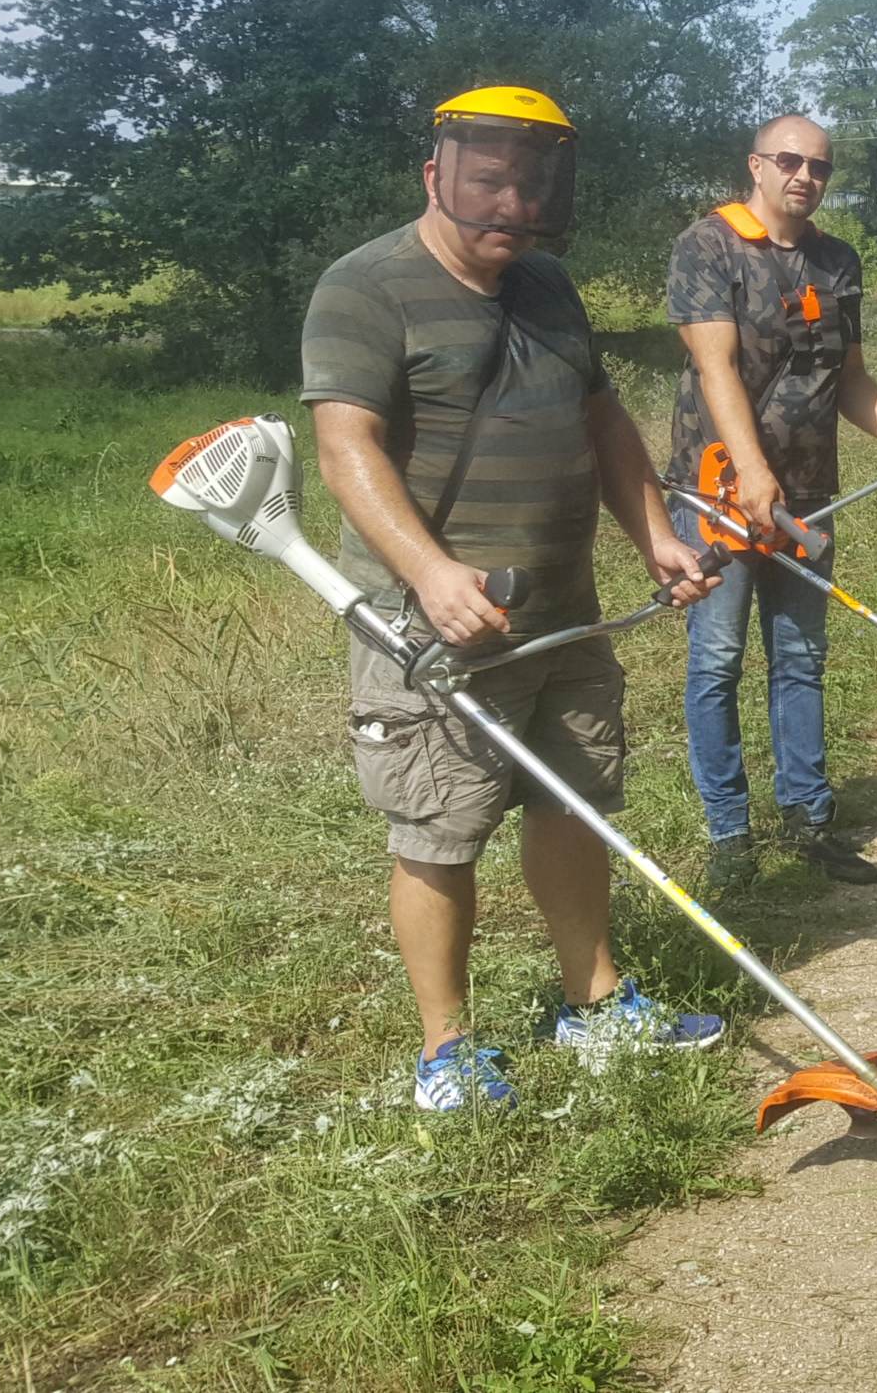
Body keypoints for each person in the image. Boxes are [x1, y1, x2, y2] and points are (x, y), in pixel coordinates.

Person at [302, 85, 727, 1113]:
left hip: (564, 611)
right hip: (434, 629)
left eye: (530, 185)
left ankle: (595, 1002)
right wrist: (431, 572)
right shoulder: (366, 287)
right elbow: (344, 447)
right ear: (436, 174)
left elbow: (602, 419)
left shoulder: (547, 285)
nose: (511, 203)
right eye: (489, 179)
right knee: (440, 830)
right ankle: (447, 1051)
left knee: (577, 802)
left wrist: (658, 536)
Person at [664, 114, 877, 891]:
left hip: (811, 495)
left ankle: (810, 818)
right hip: (720, 490)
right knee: (717, 659)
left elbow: (849, 378)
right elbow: (715, 367)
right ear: (756, 165)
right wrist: (753, 474)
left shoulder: (836, 259)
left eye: (819, 167)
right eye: (789, 161)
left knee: (800, 658)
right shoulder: (708, 245)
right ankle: (731, 837)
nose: (805, 176)